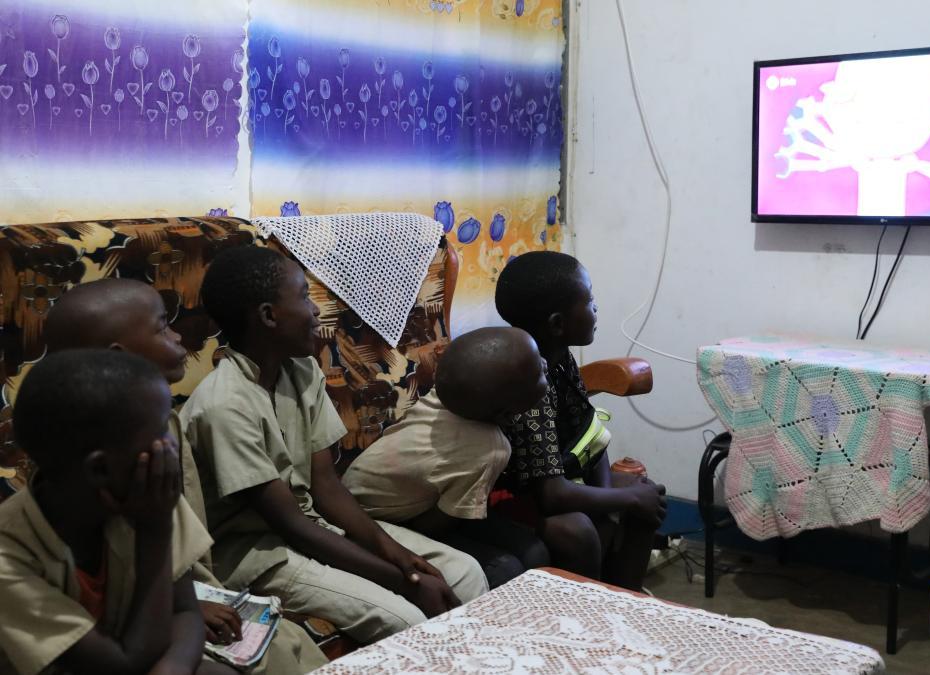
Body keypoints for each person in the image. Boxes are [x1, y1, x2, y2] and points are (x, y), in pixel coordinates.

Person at [181, 246, 488, 644]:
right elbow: (288, 523)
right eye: (304, 297)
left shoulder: (301, 369)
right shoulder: (223, 406)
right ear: (269, 316)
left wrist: (399, 556)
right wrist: (405, 581)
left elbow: (326, 486)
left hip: (312, 526)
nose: (315, 312)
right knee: (404, 618)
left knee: (465, 572)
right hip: (258, 553)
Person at [43, 278, 326, 674]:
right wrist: (185, 602)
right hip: (129, 624)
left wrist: (189, 598)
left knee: (288, 644)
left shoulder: (163, 424)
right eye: (162, 327)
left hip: (177, 591)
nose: (178, 336)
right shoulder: (80, 468)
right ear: (118, 358)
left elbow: (179, 553)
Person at [0, 349, 233, 675]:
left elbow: (184, 610)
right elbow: (122, 664)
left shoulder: (146, 491)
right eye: (159, 434)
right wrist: (155, 532)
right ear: (100, 469)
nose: (170, 447)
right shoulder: (8, 558)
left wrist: (173, 668)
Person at [493, 251, 668, 591]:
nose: (596, 308)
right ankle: (589, 610)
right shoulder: (529, 382)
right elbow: (551, 496)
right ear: (558, 324)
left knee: (649, 493)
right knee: (578, 529)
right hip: (514, 495)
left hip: (557, 478)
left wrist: (607, 494)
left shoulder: (561, 357)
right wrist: (624, 500)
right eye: (588, 301)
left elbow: (589, 432)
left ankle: (624, 597)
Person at [343, 327, 551, 588]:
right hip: (371, 518)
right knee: (504, 569)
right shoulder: (489, 450)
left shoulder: (451, 398)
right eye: (537, 371)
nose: (545, 364)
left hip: (389, 494)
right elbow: (434, 525)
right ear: (506, 413)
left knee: (533, 551)